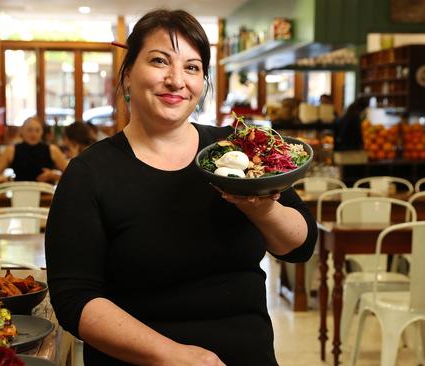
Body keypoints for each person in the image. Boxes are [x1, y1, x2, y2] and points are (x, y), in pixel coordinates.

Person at [45, 9, 317, 366]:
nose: (177, 80)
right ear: (127, 76)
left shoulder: (236, 150)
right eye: (160, 61)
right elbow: (74, 298)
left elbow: (300, 244)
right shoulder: (89, 173)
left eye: (192, 67)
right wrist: (171, 356)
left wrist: (260, 207)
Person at [0, 116, 68, 187]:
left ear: (42, 132)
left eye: (37, 130)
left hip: (46, 196)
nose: (33, 134)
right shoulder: (11, 151)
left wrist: (54, 176)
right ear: (22, 131)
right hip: (19, 195)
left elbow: (71, 176)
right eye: (30, 130)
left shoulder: (52, 150)